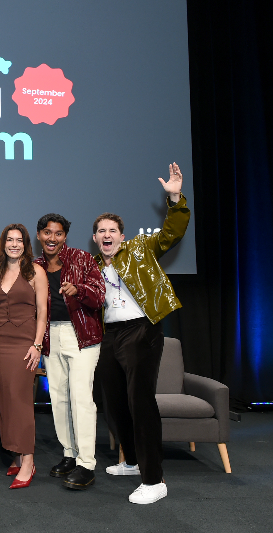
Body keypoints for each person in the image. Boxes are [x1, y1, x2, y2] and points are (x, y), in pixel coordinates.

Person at [92, 162, 190, 505]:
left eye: (112, 230)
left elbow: (172, 233)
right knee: (114, 401)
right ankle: (131, 461)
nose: (106, 235)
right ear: (95, 238)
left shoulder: (140, 250)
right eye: (100, 231)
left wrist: (175, 197)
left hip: (141, 330)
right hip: (110, 335)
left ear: (122, 234)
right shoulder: (92, 268)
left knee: (140, 401)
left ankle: (154, 480)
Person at [33, 213, 105, 490]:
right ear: (39, 235)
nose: (53, 238)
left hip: (82, 336)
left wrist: (79, 290)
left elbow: (99, 297)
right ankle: (69, 455)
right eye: (47, 233)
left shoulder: (83, 259)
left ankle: (87, 463)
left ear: (65, 236)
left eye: (58, 233)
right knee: (59, 398)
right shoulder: (35, 265)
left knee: (81, 398)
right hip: (51, 335)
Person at [0, 224, 47, 489]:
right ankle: (15, 451)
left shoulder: (36, 272)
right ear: (3, 244)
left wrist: (37, 345)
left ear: (26, 244)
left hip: (25, 343)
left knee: (21, 399)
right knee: (5, 397)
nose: (14, 244)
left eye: (19, 240)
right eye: (9, 240)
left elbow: (43, 312)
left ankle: (28, 460)